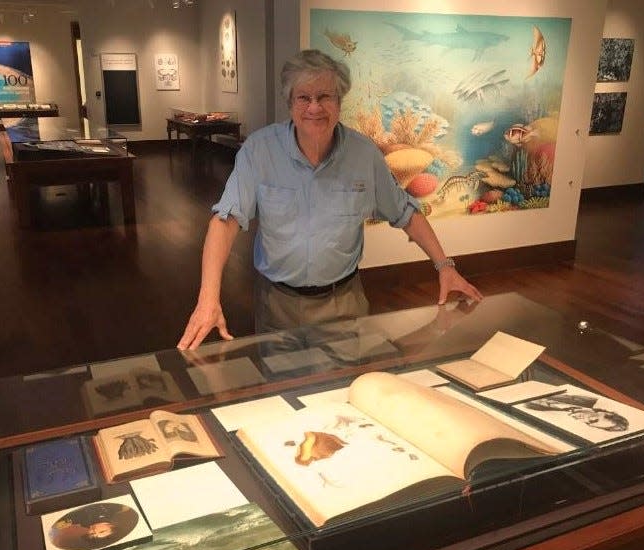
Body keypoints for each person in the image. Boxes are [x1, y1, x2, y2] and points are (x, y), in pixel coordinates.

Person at [178, 49, 482, 351]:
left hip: (344, 304)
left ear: (339, 102)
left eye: (325, 97)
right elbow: (225, 220)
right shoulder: (259, 151)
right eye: (304, 97)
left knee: (342, 388)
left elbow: (405, 212)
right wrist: (208, 297)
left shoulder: (364, 155)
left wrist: (445, 266)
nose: (315, 107)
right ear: (290, 103)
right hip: (276, 304)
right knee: (280, 388)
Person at [525, 393, 629, 432]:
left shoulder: (556, 418)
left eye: (589, 423)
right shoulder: (586, 399)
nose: (584, 420)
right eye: (593, 419)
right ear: (605, 413)